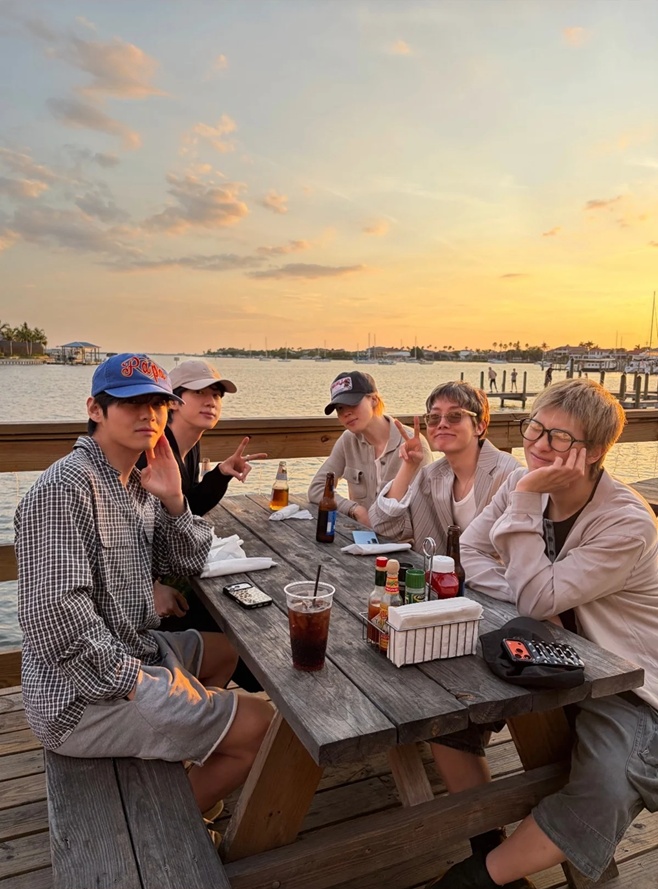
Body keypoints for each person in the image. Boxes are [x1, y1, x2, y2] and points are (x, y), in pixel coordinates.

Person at [15, 353, 272, 837]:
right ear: (96, 409)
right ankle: (174, 826)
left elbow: (185, 565)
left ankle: (194, 781)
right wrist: (145, 684)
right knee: (262, 724)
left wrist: (175, 500)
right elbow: (59, 622)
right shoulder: (62, 491)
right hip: (78, 701)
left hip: (135, 649)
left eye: (158, 403)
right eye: (131, 403)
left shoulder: (138, 482)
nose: (147, 414)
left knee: (229, 652)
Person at [425, 378, 658, 889]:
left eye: (557, 438)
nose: (536, 444)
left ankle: (477, 878)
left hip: (626, 680)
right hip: (546, 647)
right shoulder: (520, 483)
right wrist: (532, 595)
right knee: (443, 709)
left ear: (594, 452)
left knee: (612, 781)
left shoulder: (625, 522)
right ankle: (486, 837)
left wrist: (529, 503)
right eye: (534, 428)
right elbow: (475, 553)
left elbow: (535, 594)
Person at [136, 359, 267, 631]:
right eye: (199, 393)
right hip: (139, 591)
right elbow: (128, 527)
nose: (211, 401)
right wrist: (151, 586)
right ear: (172, 401)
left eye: (217, 395)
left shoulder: (190, 445)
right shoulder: (150, 452)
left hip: (165, 571)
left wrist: (221, 474)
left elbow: (185, 509)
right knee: (235, 622)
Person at [368, 381, 519, 557]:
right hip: (440, 582)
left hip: (494, 583)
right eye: (434, 417)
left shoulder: (509, 475)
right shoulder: (430, 477)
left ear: (479, 426)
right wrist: (408, 466)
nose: (442, 424)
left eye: (455, 416)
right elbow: (384, 526)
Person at [308, 370, 432, 527]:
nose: (346, 413)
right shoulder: (348, 440)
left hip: (404, 543)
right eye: (339, 408)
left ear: (374, 399)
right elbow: (317, 489)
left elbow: (424, 511)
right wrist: (355, 509)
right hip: (362, 539)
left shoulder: (413, 446)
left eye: (352, 404)